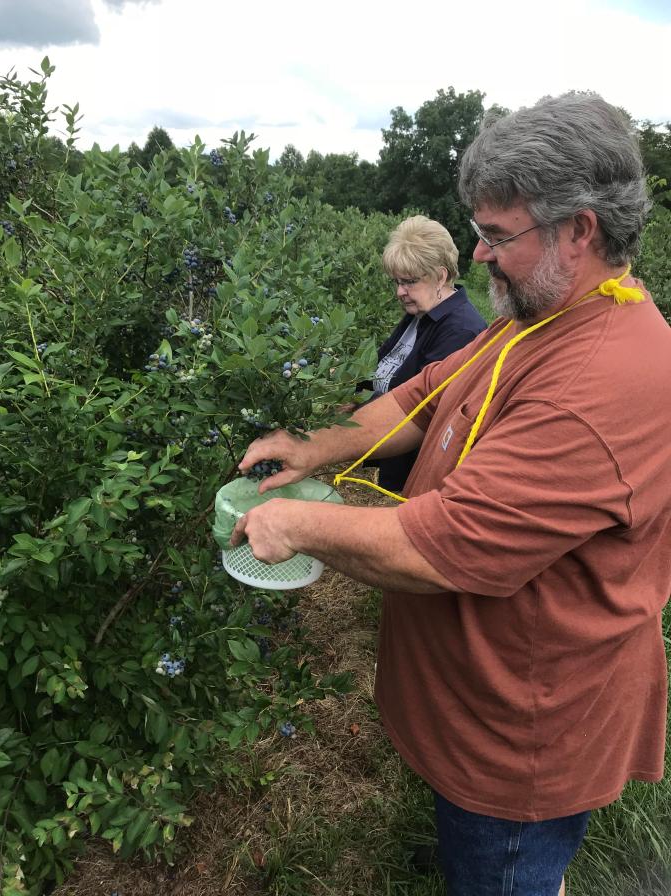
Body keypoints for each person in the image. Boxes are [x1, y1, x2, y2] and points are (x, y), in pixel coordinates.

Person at [230, 92, 671, 896]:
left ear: (580, 230)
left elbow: (446, 549)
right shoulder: (540, 316)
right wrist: (314, 447)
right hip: (477, 709)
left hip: (520, 745)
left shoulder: (602, 380)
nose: (477, 255)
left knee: (506, 876)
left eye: (497, 236)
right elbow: (424, 396)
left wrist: (297, 524)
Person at [363, 215, 486, 493]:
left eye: (408, 281)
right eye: (396, 281)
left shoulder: (460, 331)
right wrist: (351, 391)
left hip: (414, 480)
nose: (400, 292)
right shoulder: (419, 315)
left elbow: (422, 410)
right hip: (387, 461)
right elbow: (386, 372)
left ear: (440, 276)